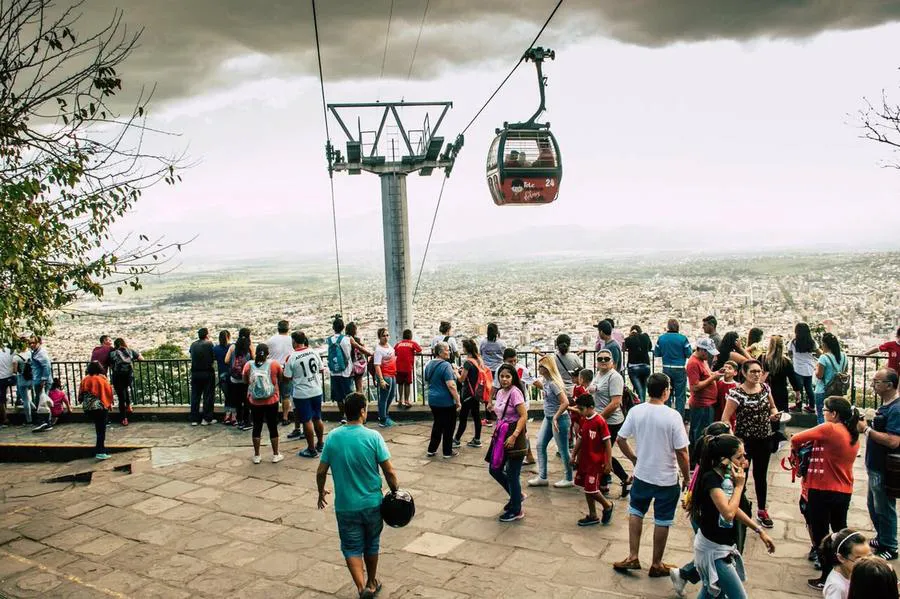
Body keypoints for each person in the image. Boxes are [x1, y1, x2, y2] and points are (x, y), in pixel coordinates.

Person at [316, 393, 400, 599]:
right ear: (362, 411)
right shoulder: (373, 437)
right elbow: (389, 471)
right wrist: (395, 490)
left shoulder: (333, 437)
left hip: (346, 505)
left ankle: (361, 587)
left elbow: (320, 471)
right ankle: (372, 582)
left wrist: (321, 491)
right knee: (372, 543)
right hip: (372, 503)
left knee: (351, 547)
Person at [614, 372, 691, 578]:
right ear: (666, 391)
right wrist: (687, 477)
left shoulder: (636, 411)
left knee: (636, 511)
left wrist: (633, 459)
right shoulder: (673, 416)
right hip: (666, 476)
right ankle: (656, 563)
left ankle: (632, 556)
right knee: (662, 520)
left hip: (642, 473)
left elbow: (620, 439)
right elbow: (682, 452)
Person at [690, 434, 776, 598]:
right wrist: (739, 487)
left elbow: (734, 508)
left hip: (723, 546)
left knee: (712, 593)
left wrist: (759, 530)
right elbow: (728, 513)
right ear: (724, 460)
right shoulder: (711, 479)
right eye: (739, 457)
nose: (745, 460)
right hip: (713, 552)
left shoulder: (725, 478)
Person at [790, 396, 861, 590]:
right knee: (840, 532)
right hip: (843, 489)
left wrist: (796, 452)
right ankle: (845, 571)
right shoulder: (851, 432)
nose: (823, 413)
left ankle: (826, 575)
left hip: (822, 489)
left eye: (825, 410)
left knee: (821, 534)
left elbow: (796, 438)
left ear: (835, 414)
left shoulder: (830, 428)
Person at [721, 360, 779, 529]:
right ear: (744, 373)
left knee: (761, 475)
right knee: (741, 476)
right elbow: (726, 419)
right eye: (753, 371)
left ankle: (762, 509)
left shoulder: (765, 388)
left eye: (759, 371)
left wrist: (774, 414)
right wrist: (733, 439)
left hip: (764, 438)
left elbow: (773, 407)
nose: (756, 374)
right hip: (744, 442)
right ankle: (739, 507)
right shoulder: (736, 394)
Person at [858, 368, 900, 561]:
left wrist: (866, 429)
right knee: (874, 505)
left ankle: (890, 545)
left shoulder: (896, 409)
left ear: (889, 385)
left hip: (884, 466)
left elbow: (893, 441)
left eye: (877, 382)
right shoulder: (887, 404)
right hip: (875, 464)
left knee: (884, 507)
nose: (873, 385)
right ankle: (883, 537)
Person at [590, 349, 631, 497]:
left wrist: (598, 418)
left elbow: (615, 403)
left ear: (612, 362)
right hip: (602, 419)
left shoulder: (614, 377)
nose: (602, 361)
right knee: (600, 452)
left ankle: (624, 478)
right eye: (600, 359)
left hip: (611, 421)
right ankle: (604, 481)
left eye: (606, 359)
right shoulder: (599, 375)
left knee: (603, 453)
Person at [490, 363, 528, 522]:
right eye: (502, 376)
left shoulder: (515, 393)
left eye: (507, 376)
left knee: (512, 473)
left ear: (513, 378)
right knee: (494, 469)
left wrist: (514, 435)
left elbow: (523, 416)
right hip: (501, 434)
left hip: (513, 435)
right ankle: (516, 496)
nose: (504, 379)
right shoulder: (500, 393)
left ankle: (516, 508)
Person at [528, 355, 573, 488]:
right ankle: (542, 476)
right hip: (549, 418)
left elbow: (565, 402)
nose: (539, 368)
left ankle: (569, 478)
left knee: (563, 449)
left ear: (548, 368)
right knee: (540, 445)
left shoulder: (553, 383)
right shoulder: (547, 381)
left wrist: (555, 416)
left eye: (541, 366)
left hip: (559, 419)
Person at [572, 393, 615, 527]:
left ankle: (607, 505)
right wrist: (573, 455)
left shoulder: (599, 421)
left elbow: (607, 442)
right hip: (585, 461)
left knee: (591, 488)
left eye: (581, 409)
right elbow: (580, 438)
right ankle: (592, 514)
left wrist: (608, 462)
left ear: (590, 407)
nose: (580, 411)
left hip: (596, 462)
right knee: (587, 488)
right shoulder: (584, 420)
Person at [283, 331, 325, 457]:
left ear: (294, 342)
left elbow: (287, 377)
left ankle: (311, 449)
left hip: (302, 393)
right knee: (317, 417)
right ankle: (321, 443)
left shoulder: (292, 357)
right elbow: (321, 369)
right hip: (316, 390)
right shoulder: (314, 352)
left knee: (306, 420)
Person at [241, 343, 283, 464]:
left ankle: (257, 455)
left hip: (255, 401)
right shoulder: (274, 364)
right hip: (272, 400)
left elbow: (245, 380)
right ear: (268, 353)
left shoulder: (249, 365)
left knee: (257, 426)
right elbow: (280, 378)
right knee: (272, 426)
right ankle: (275, 454)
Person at [424, 342, 460, 458]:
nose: (449, 352)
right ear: (440, 352)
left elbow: (427, 379)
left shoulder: (429, 364)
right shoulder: (446, 365)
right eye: (447, 350)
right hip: (445, 401)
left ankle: (432, 449)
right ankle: (447, 451)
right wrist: (458, 400)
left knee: (438, 424)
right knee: (449, 426)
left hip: (433, 399)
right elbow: (451, 385)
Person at [654, 319, 692, 419]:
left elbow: (657, 353)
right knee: (680, 396)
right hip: (679, 368)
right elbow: (689, 353)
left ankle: (666, 417)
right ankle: (679, 418)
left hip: (666, 368)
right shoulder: (683, 339)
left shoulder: (661, 338)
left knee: (666, 394)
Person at [688, 338, 722, 449]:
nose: (710, 356)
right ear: (702, 350)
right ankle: (697, 460)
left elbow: (707, 375)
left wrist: (716, 374)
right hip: (701, 404)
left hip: (707, 403)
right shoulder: (693, 363)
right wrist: (712, 378)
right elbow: (695, 386)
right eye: (708, 352)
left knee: (702, 433)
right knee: (700, 435)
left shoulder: (703, 360)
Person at [78, 361, 115, 460]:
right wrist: (108, 404)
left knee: (98, 429)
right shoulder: (101, 379)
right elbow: (107, 392)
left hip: (88, 408)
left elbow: (80, 394)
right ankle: (100, 451)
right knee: (101, 430)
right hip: (99, 408)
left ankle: (100, 450)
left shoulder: (85, 379)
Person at [820, 529, 871, 599]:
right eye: (860, 559)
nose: (867, 563)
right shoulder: (836, 587)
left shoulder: (854, 572)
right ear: (841, 558)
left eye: (869, 556)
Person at [454, 339, 485, 448]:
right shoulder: (479, 360)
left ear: (466, 349)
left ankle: (456, 440)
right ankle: (477, 439)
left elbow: (461, 379)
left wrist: (455, 372)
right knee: (476, 416)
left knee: (463, 417)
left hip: (468, 393)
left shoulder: (468, 362)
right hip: (477, 393)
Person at [761, 335, 799, 413]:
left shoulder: (763, 359)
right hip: (781, 392)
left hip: (765, 391)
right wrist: (797, 393)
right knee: (781, 417)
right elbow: (793, 379)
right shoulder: (786, 362)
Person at [816, 333, 848, 425]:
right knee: (836, 417)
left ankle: (823, 436)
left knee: (822, 415)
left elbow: (819, 375)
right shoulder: (844, 356)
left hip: (823, 390)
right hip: (838, 391)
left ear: (824, 344)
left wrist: (816, 369)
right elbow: (844, 372)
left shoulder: (824, 357)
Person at [109, 338, 142, 426]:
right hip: (128, 376)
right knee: (126, 389)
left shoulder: (112, 353)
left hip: (117, 377)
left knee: (121, 397)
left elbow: (110, 364)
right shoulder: (130, 351)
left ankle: (124, 419)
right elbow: (141, 359)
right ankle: (128, 406)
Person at [267, 320, 294, 426]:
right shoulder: (292, 340)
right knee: (286, 395)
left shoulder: (271, 340)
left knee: (273, 394)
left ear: (278, 329)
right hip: (286, 369)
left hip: (273, 368)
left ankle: (273, 417)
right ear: (288, 329)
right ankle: (285, 417)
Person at [327, 317, 354, 423]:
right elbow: (347, 356)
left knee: (338, 397)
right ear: (343, 327)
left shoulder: (329, 340)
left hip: (334, 372)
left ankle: (342, 415)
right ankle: (349, 415)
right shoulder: (345, 339)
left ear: (333, 328)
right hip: (345, 372)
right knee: (348, 395)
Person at [225, 328, 253, 430]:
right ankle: (247, 422)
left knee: (237, 401)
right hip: (246, 378)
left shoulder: (233, 346)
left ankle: (239, 420)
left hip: (234, 378)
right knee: (246, 400)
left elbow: (226, 360)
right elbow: (254, 358)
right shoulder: (249, 346)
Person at [790, 323, 820, 413]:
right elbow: (819, 353)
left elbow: (790, 353)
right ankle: (811, 406)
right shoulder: (812, 342)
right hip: (809, 368)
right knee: (809, 388)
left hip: (798, 368)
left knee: (798, 389)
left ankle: (798, 406)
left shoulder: (793, 342)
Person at [189, 328, 217, 426]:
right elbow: (214, 356)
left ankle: (194, 419)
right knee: (208, 396)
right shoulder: (209, 344)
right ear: (206, 335)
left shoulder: (193, 344)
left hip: (195, 373)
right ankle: (206, 418)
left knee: (195, 396)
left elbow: (191, 354)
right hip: (207, 372)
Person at [373, 328, 398, 428]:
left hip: (392, 373)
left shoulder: (389, 346)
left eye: (387, 335)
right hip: (385, 375)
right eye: (384, 335)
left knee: (391, 395)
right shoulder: (379, 349)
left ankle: (385, 415)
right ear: (379, 337)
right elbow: (377, 365)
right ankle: (382, 419)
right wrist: (381, 379)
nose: (386, 337)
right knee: (384, 397)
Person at [623, 325, 653, 401]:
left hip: (633, 367)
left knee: (639, 390)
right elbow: (650, 347)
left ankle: (641, 404)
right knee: (643, 388)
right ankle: (643, 403)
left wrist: (630, 336)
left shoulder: (628, 339)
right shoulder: (645, 336)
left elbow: (623, 348)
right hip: (646, 366)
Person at [394, 330, 421, 409]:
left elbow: (394, 351)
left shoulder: (399, 344)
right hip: (408, 366)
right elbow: (419, 350)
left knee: (400, 383)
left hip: (398, 366)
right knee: (407, 384)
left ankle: (400, 400)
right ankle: (406, 401)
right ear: (411, 336)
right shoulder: (412, 343)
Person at [213, 330, 234, 425]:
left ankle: (227, 415)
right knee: (234, 395)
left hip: (222, 375)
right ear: (228, 337)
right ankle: (234, 415)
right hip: (232, 374)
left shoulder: (215, 349)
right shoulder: (232, 347)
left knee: (227, 396)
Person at [345, 322, 372, 394]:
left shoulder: (345, 340)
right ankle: (360, 401)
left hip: (348, 366)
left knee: (349, 387)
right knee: (359, 386)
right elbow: (362, 349)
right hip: (358, 366)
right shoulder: (357, 340)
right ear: (355, 330)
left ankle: (351, 402)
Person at [12, 337, 32, 425]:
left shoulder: (16, 357)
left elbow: (15, 371)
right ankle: (35, 411)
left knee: (25, 400)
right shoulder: (30, 353)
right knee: (31, 397)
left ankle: (29, 419)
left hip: (21, 380)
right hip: (31, 379)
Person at [715, 361, 739, 425]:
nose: (726, 370)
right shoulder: (718, 382)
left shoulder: (737, 387)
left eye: (729, 368)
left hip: (731, 418)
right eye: (725, 367)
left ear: (735, 373)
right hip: (718, 415)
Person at [29, 336, 51, 401]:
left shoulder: (41, 353)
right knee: (40, 400)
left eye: (33, 343)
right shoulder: (35, 352)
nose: (31, 345)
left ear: (39, 343)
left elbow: (47, 366)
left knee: (42, 401)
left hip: (42, 382)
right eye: (30, 343)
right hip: (38, 380)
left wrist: (43, 380)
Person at [0, 345, 14, 426]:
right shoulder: (10, 350)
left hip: (1, 378)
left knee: (1, 400)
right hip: (10, 377)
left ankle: (4, 418)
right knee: (2, 399)